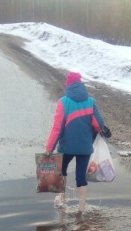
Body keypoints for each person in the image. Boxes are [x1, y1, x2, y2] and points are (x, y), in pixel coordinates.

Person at [45, 71, 106, 212]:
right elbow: (98, 123)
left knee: (62, 171)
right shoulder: (90, 101)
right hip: (85, 147)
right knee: (81, 178)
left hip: (66, 147)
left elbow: (57, 129)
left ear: (68, 84)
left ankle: (62, 198)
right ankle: (81, 208)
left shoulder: (63, 102)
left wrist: (49, 148)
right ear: (80, 83)